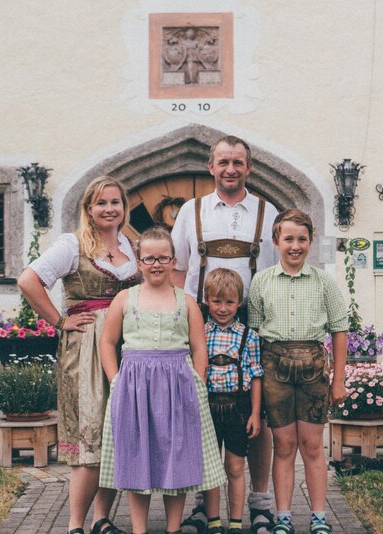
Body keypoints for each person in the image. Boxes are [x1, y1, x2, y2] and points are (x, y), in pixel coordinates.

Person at [18, 175, 140, 534]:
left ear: (123, 207)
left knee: (115, 435)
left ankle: (102, 519)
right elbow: (28, 280)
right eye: (101, 203)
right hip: (86, 345)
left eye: (115, 202)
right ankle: (75, 525)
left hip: (125, 345)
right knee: (88, 438)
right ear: (89, 208)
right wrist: (59, 321)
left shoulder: (130, 245)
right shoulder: (72, 245)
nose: (109, 209)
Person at [171, 134, 279, 534]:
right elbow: (179, 271)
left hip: (252, 320)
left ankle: (260, 501)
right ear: (210, 166)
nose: (230, 169)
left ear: (249, 167)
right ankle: (205, 502)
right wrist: (184, 321)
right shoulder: (190, 210)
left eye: (238, 162)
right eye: (223, 162)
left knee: (259, 413)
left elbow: (273, 273)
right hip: (200, 319)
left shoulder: (268, 213)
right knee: (204, 410)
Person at [99, 227, 227, 534]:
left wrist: (196, 380)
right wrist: (116, 380)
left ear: (173, 261)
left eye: (163, 258)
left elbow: (198, 347)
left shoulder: (186, 301)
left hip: (178, 386)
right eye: (149, 258)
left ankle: (173, 528)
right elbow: (107, 342)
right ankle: (139, 529)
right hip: (134, 387)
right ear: (139, 263)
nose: (156, 264)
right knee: (136, 455)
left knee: (177, 456)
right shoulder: (124, 299)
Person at [248, 209, 348, 534]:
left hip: (313, 370)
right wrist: (256, 386)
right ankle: (283, 516)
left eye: (302, 239)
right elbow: (253, 334)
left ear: (310, 242)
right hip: (274, 367)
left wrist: (339, 381)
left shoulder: (323, 282)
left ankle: (319, 516)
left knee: (312, 446)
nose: (295, 246)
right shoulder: (261, 282)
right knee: (284, 445)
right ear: (276, 241)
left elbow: (340, 329)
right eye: (288, 238)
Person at [199, 268, 264, 534]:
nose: (223, 308)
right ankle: (214, 521)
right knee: (212, 468)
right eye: (217, 301)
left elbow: (256, 375)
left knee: (235, 466)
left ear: (239, 303)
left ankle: (236, 522)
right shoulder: (201, 333)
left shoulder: (249, 336)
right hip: (208, 408)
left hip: (238, 408)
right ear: (206, 300)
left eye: (229, 302)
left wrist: (255, 413)